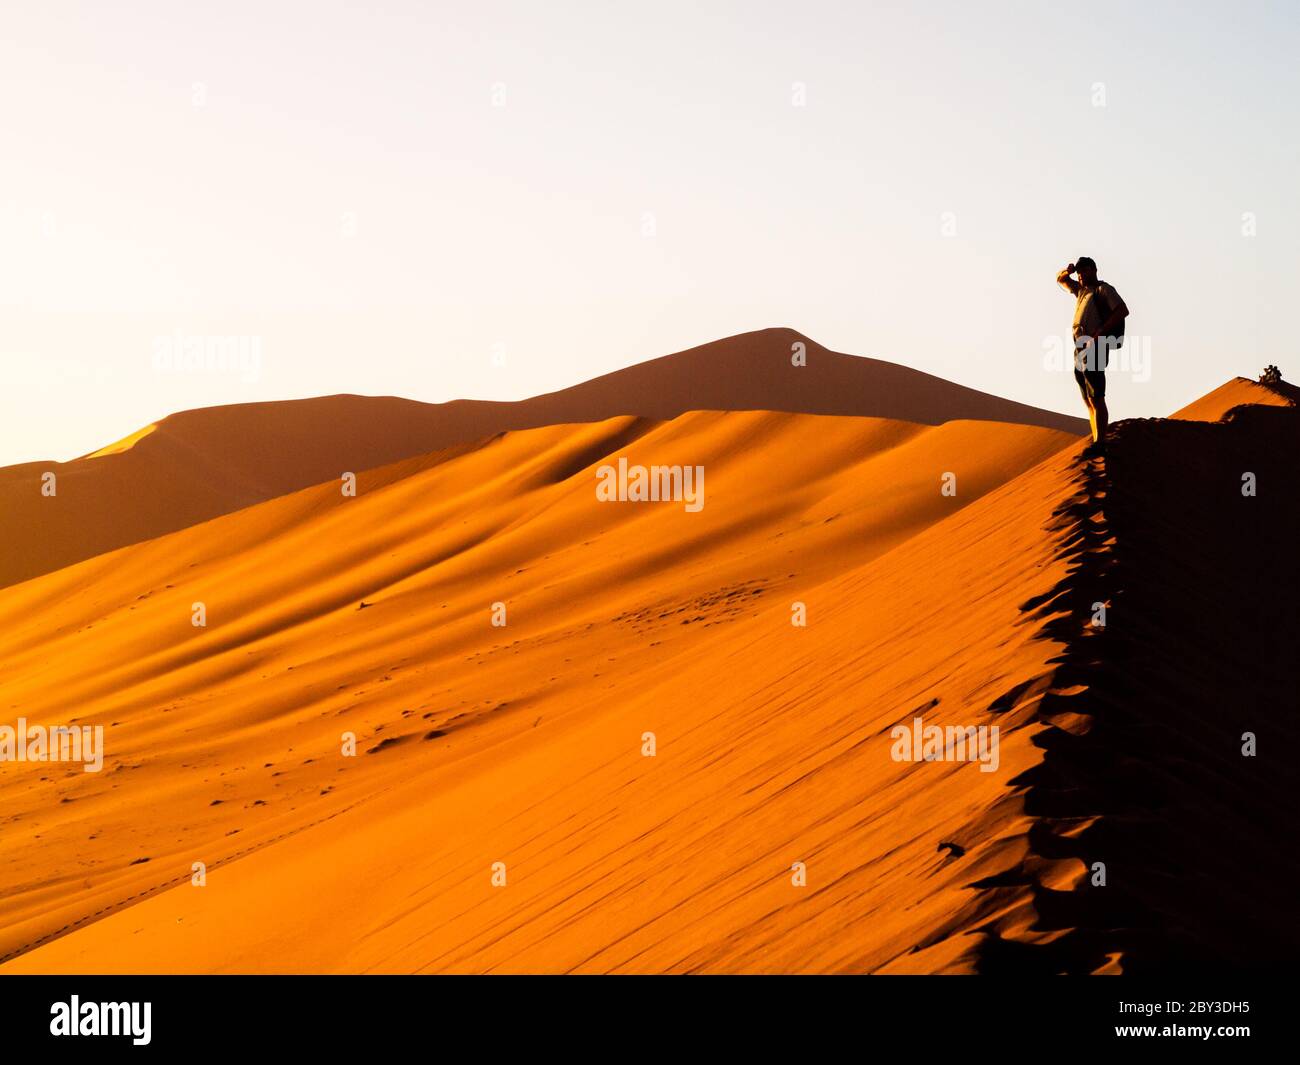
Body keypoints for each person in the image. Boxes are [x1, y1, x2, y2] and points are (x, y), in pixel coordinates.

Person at [1056, 256, 1128, 453]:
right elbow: (1060, 280)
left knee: (1097, 396)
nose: (1080, 275)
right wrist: (1067, 271)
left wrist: (1101, 331)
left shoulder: (1103, 290)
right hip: (1079, 348)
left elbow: (1122, 310)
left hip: (1095, 346)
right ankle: (1097, 439)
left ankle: (1101, 442)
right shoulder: (1080, 291)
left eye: (1084, 271)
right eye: (1079, 272)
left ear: (1094, 270)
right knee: (1087, 399)